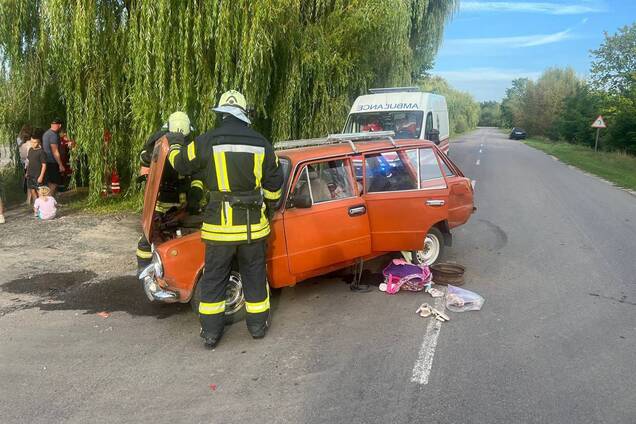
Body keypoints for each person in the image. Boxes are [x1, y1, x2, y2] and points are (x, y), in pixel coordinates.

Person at [167, 90, 283, 349]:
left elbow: (180, 164)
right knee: (254, 275)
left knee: (215, 278)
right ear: (244, 114)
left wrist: (175, 142)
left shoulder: (207, 140)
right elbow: (275, 184)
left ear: (221, 113)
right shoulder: (262, 143)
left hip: (219, 229)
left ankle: (210, 333)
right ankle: (256, 327)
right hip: (253, 227)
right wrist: (269, 204)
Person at [135, 111, 203, 275]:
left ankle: (179, 271)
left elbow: (197, 173)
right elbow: (144, 157)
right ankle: (144, 270)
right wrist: (153, 153)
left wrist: (196, 192)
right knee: (147, 239)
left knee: (183, 239)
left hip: (183, 203)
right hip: (160, 203)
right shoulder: (158, 142)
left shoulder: (191, 145)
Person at [42, 118, 66, 196]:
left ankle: (50, 201)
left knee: (50, 182)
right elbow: (55, 151)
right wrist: (60, 164)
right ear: (60, 125)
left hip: (46, 160)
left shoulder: (46, 133)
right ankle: (48, 201)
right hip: (52, 161)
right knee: (54, 183)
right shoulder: (53, 135)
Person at [26, 130, 47, 205]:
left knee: (40, 192)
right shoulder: (30, 150)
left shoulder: (41, 152)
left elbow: (44, 165)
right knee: (32, 191)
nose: (33, 144)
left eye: (35, 142)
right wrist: (27, 172)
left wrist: (41, 176)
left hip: (38, 175)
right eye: (31, 142)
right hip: (30, 175)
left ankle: (44, 207)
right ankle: (36, 208)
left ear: (38, 142)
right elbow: (29, 162)